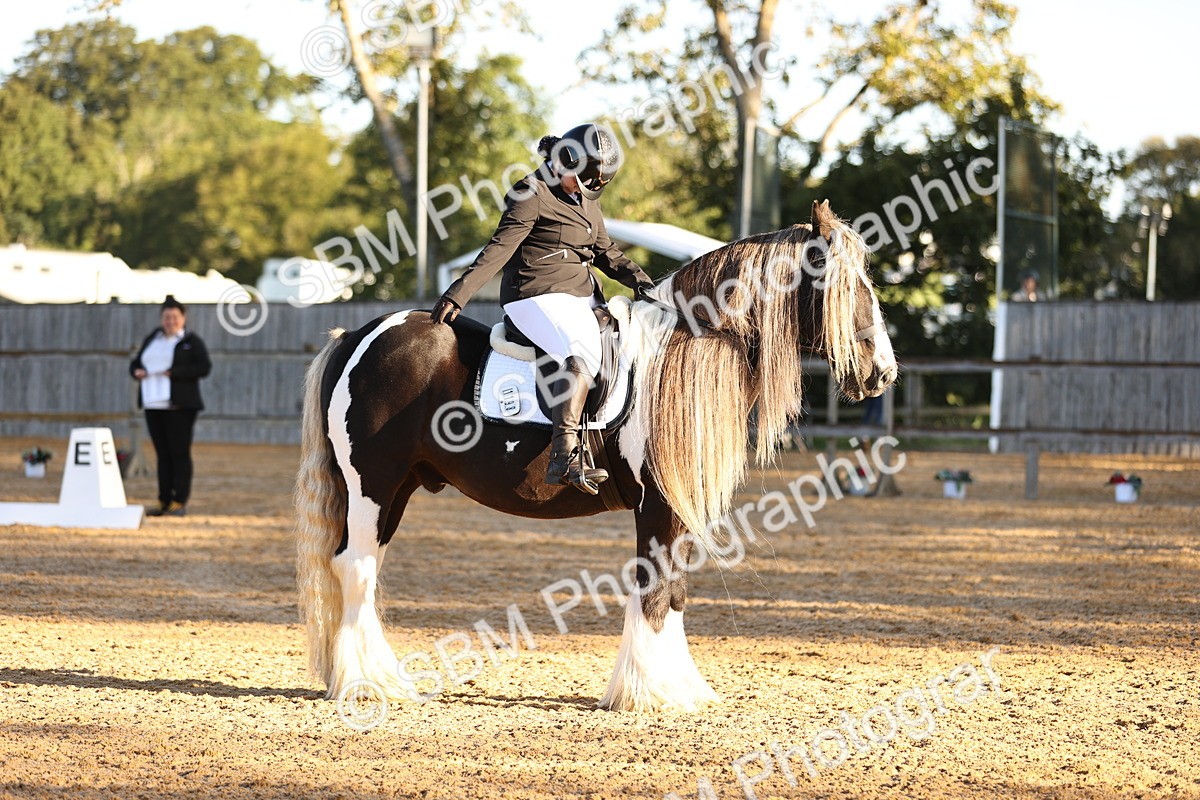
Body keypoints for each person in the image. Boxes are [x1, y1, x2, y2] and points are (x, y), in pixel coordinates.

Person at [430, 123, 653, 492]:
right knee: (581, 351)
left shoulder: (586, 197)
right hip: (535, 293)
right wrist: (458, 293)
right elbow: (498, 249)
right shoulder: (529, 193)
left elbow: (604, 252)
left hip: (580, 294)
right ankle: (564, 454)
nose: (580, 192)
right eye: (577, 182)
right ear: (564, 161)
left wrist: (645, 282)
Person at [129, 296, 212, 516]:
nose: (170, 321)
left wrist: (175, 373)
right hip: (153, 403)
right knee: (162, 454)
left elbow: (204, 367)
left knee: (179, 453)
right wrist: (135, 371)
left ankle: (179, 500)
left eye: (175, 317)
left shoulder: (191, 341)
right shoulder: (153, 338)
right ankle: (163, 499)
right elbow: (136, 362)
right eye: (166, 317)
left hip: (180, 405)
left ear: (183, 318)